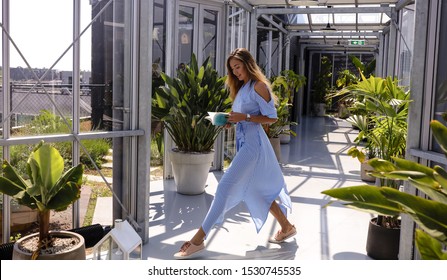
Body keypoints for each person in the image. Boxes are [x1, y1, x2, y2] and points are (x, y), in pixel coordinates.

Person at [174, 48, 295, 259]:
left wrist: (245, 117)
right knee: (257, 190)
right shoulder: (243, 88)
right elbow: (243, 116)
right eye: (232, 69)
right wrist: (230, 121)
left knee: (224, 188)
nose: (235, 72)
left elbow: (272, 118)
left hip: (253, 147)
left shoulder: (259, 86)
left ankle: (198, 240)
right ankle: (287, 227)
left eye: (237, 67)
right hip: (244, 143)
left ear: (248, 64)